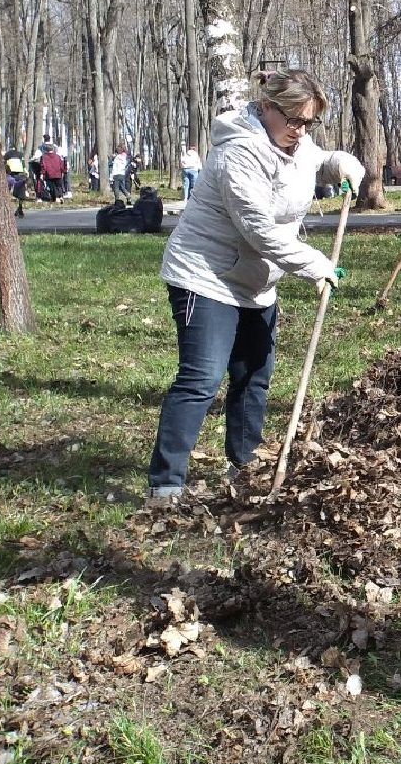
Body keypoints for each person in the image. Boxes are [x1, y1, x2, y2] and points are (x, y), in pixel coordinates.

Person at [145, 69, 364, 507]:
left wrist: (340, 162)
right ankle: (165, 486)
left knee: (253, 375)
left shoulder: (296, 142)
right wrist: (315, 264)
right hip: (206, 277)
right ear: (266, 107)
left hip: (256, 283)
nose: (301, 131)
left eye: (309, 123)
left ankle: (243, 466)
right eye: (294, 120)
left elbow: (317, 160)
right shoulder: (238, 153)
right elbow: (259, 230)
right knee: (202, 379)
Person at [4, 146, 28, 217]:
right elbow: (23, 164)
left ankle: (10, 210)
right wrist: (26, 171)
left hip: (10, 174)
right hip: (19, 173)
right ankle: (20, 208)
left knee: (9, 192)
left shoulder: (7, 154)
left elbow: (4, 164)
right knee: (21, 191)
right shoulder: (20, 154)